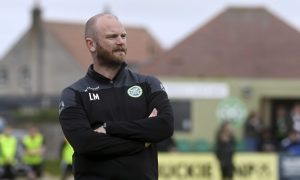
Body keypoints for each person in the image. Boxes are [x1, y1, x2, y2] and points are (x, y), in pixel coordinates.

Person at [58, 12, 174, 179]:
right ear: (91, 44)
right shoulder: (74, 94)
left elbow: (164, 126)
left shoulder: (148, 84)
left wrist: (108, 129)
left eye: (123, 36)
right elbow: (86, 143)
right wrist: (143, 140)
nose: (121, 41)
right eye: (112, 37)